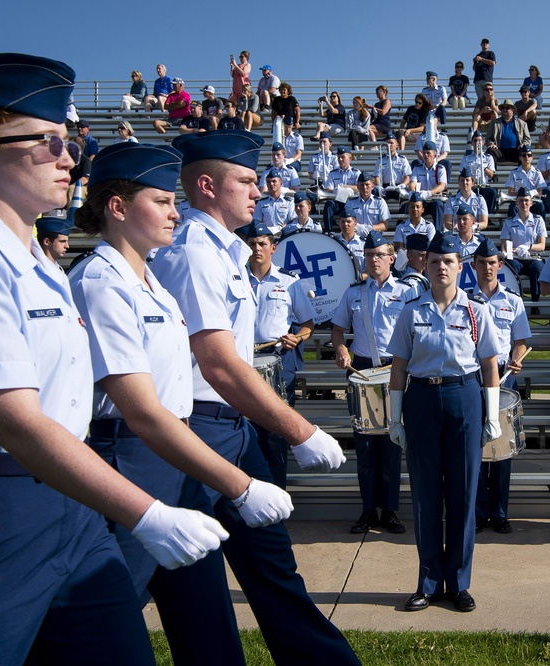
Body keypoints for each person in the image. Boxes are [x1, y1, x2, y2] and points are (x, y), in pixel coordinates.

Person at [0, 51, 225, 666]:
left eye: (69, 142)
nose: (69, 158)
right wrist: (145, 510)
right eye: (45, 143)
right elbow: (14, 417)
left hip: (70, 497)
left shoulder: (42, 264)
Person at [72, 143, 298, 665]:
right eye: (161, 200)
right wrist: (239, 485)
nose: (177, 212)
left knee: (207, 620)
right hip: (130, 457)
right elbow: (142, 409)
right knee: (107, 623)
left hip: (173, 453)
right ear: (118, 207)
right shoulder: (99, 281)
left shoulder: (153, 284)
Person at [151, 130, 359, 664]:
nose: (258, 190)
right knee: (199, 598)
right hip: (195, 430)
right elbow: (218, 363)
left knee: (273, 569)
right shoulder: (195, 255)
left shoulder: (225, 253)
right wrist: (301, 430)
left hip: (231, 427)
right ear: (206, 185)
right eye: (244, 180)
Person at [387, 232, 501, 613]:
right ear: (426, 264)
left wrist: (493, 413)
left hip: (463, 398)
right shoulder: (411, 311)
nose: (441, 268)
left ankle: (459, 582)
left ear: (459, 266)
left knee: (463, 494)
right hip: (421, 400)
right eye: (434, 261)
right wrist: (394, 417)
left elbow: (489, 364)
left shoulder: (475, 311)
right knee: (425, 496)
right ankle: (429, 581)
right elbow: (399, 366)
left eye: (448, 261)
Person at [331, 232, 409, 535]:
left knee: (391, 442)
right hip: (362, 371)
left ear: (391, 258)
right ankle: (367, 510)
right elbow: (338, 330)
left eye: (379, 255)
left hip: (395, 371)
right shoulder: (353, 293)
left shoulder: (405, 292)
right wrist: (340, 347)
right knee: (364, 444)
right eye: (368, 255)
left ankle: (389, 511)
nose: (373, 260)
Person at [243, 221, 316, 488]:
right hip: (242, 363)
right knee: (246, 435)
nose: (256, 249)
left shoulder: (289, 282)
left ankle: (277, 500)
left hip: (278, 363)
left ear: (273, 248)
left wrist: (296, 338)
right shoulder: (235, 279)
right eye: (251, 244)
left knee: (276, 436)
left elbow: (308, 325)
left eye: (262, 243)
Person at [469, 240, 531, 534]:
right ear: (473, 266)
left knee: (502, 447)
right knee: (478, 446)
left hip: (506, 376)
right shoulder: (464, 300)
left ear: (500, 265)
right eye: (481, 262)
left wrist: (517, 359)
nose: (487, 267)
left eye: (492, 262)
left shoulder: (513, 301)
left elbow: (521, 342)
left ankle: (500, 512)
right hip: (475, 376)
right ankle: (480, 512)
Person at [500, 188, 547, 303]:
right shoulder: (509, 222)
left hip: (533, 258)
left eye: (526, 200)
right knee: (511, 267)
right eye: (520, 201)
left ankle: (535, 303)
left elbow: (542, 246)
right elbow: (505, 246)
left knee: (537, 268)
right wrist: (516, 250)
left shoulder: (538, 220)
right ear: (516, 203)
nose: (524, 204)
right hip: (516, 258)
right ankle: (515, 301)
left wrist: (528, 247)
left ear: (531, 203)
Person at [406, 140, 447, 231]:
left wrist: (429, 193)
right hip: (421, 201)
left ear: (435, 155)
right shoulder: (417, 168)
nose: (425, 155)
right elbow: (412, 182)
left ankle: (438, 233)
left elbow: (442, 186)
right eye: (424, 153)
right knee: (408, 206)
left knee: (438, 205)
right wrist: (413, 191)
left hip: (434, 200)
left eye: (428, 153)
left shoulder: (440, 169)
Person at [321, 146, 361, 233]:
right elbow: (328, 189)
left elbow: (360, 187)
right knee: (329, 204)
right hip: (338, 201)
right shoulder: (333, 173)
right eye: (339, 157)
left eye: (343, 157)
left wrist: (345, 187)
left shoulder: (356, 173)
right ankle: (328, 231)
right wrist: (337, 190)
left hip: (351, 201)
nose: (340, 159)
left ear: (350, 158)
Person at [504, 144, 547, 218]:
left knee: (540, 207)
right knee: (512, 208)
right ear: (520, 157)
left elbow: (540, 191)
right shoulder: (514, 173)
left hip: (533, 201)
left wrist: (532, 193)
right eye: (524, 155)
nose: (526, 157)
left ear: (532, 157)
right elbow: (510, 192)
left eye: (529, 155)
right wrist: (523, 194)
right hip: (519, 201)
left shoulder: (537, 173)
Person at [485, 98, 532, 164]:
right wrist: (491, 143)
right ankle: (492, 173)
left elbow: (528, 139)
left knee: (524, 151)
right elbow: (488, 138)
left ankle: (523, 173)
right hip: (500, 151)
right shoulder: (494, 123)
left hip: (516, 151)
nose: (504, 110)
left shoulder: (522, 123)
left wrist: (523, 144)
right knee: (490, 151)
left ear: (512, 110)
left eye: (507, 108)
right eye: (503, 108)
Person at [344, 172, 390, 236]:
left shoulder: (380, 202)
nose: (364, 187)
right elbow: (345, 221)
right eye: (362, 185)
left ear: (372, 186)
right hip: (356, 237)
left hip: (374, 238)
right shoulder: (350, 203)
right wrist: (357, 226)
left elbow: (385, 225)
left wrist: (370, 228)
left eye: (367, 184)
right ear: (357, 186)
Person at [373, 132, 412, 198]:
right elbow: (377, 176)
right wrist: (379, 187)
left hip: (398, 187)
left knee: (408, 196)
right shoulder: (380, 160)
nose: (389, 145)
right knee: (374, 192)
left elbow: (407, 177)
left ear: (397, 145)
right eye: (387, 143)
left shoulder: (402, 159)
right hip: (385, 187)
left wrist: (403, 185)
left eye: (391, 143)